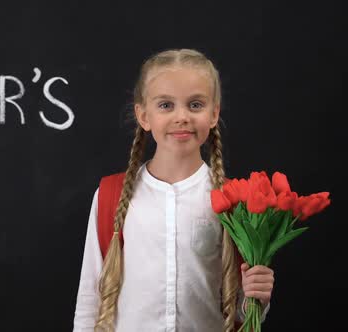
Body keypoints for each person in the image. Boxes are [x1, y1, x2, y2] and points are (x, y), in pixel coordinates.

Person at [73, 48, 274, 332]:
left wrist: (258, 299)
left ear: (214, 113)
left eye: (195, 105)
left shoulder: (234, 202)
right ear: (143, 116)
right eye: (166, 105)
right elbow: (89, 300)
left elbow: (243, 309)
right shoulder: (111, 195)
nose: (182, 117)